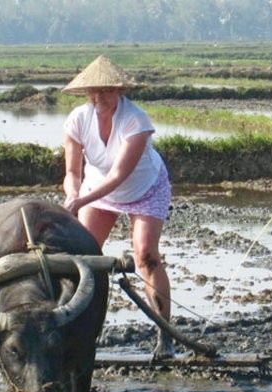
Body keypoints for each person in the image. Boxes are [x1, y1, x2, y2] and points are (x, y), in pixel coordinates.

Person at [61, 55, 174, 358]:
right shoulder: (77, 120)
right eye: (93, 92)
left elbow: (118, 175)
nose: (99, 98)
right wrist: (73, 196)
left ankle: (166, 333)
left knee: (146, 255)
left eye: (107, 91)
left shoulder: (136, 120)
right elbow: (72, 173)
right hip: (96, 190)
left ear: (120, 91)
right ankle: (76, 328)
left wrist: (80, 200)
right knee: (83, 256)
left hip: (144, 187)